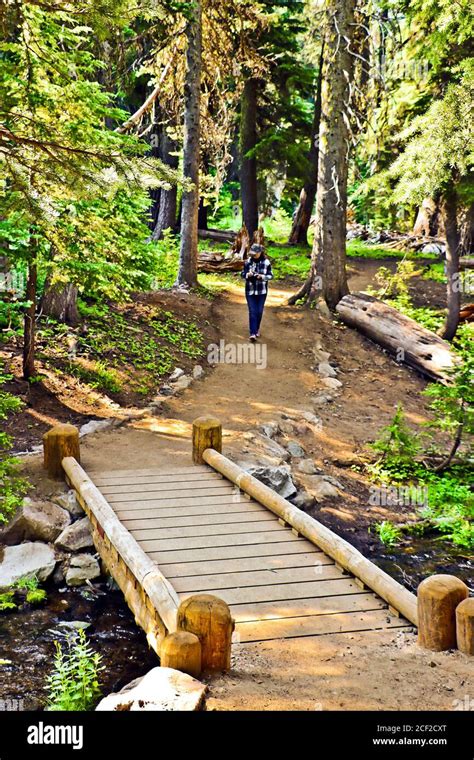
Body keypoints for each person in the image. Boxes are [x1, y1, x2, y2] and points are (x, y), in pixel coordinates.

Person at [241, 244, 273, 341]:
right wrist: (248, 275)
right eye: (252, 254)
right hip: (250, 291)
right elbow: (242, 274)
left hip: (261, 291)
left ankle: (257, 328)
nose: (253, 256)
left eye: (255, 254)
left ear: (260, 253)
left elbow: (271, 276)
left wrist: (262, 277)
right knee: (252, 311)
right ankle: (253, 333)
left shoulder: (266, 263)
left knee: (259, 311)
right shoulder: (248, 262)